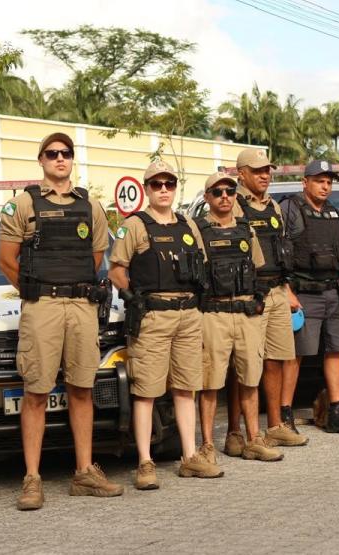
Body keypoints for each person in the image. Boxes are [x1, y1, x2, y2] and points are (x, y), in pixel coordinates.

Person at [0, 132, 123, 510]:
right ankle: (32, 479)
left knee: (82, 388)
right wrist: (35, 289)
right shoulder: (22, 204)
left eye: (65, 153)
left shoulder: (92, 206)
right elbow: (6, 259)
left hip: (81, 307)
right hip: (43, 308)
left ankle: (84, 472)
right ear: (41, 160)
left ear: (72, 159)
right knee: (35, 391)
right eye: (52, 153)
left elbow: (97, 256)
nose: (59, 159)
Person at [109, 160, 222, 489]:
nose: (163, 190)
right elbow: (117, 269)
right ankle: (145, 462)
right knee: (146, 391)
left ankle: (190, 457)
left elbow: (200, 266)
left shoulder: (188, 224)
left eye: (168, 184)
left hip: (188, 315)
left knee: (186, 387)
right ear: (146, 189)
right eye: (156, 185)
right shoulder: (135, 226)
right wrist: (133, 300)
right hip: (153, 315)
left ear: (175, 188)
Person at [195, 171, 284, 466]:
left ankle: (254, 439)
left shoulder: (247, 230)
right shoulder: (198, 230)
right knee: (210, 383)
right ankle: (207, 445)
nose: (224, 196)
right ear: (207, 197)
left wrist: (257, 302)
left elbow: (259, 268)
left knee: (250, 379)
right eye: (217, 191)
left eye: (229, 191)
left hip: (246, 313)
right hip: (215, 314)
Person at [280, 160, 339, 433]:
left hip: (333, 292)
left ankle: (336, 412)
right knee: (296, 355)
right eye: (319, 180)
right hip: (304, 294)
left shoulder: (333, 212)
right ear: (305, 182)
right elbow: (280, 252)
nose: (325, 186)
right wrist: (287, 291)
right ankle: (284, 415)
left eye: (328, 181)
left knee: (336, 350)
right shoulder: (291, 209)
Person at [229, 147, 305, 454]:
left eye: (267, 170)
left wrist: (287, 290)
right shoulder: (233, 204)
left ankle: (274, 426)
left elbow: (281, 249)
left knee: (276, 359)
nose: (265, 175)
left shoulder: (274, 206)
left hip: (276, 291)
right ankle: (236, 431)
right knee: (243, 365)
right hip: (249, 294)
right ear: (242, 173)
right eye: (258, 171)